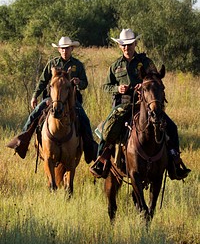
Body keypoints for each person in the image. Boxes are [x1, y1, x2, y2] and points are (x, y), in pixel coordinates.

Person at [90, 28, 191, 180]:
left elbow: (156, 80)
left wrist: (142, 86)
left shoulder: (146, 62)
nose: (126, 47)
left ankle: (174, 161)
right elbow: (106, 86)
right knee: (108, 127)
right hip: (123, 105)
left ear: (135, 43)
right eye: (123, 45)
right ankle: (101, 160)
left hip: (146, 104)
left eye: (130, 44)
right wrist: (118, 88)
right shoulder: (115, 66)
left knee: (171, 127)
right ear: (119, 46)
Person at [7, 36, 98, 164]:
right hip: (53, 100)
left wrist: (78, 82)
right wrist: (34, 96)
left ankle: (90, 149)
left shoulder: (77, 65)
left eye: (67, 48)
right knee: (35, 114)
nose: (64, 51)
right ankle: (22, 141)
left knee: (84, 119)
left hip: (72, 100)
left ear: (71, 48)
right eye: (62, 49)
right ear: (59, 49)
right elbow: (42, 82)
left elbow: (85, 83)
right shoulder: (52, 64)